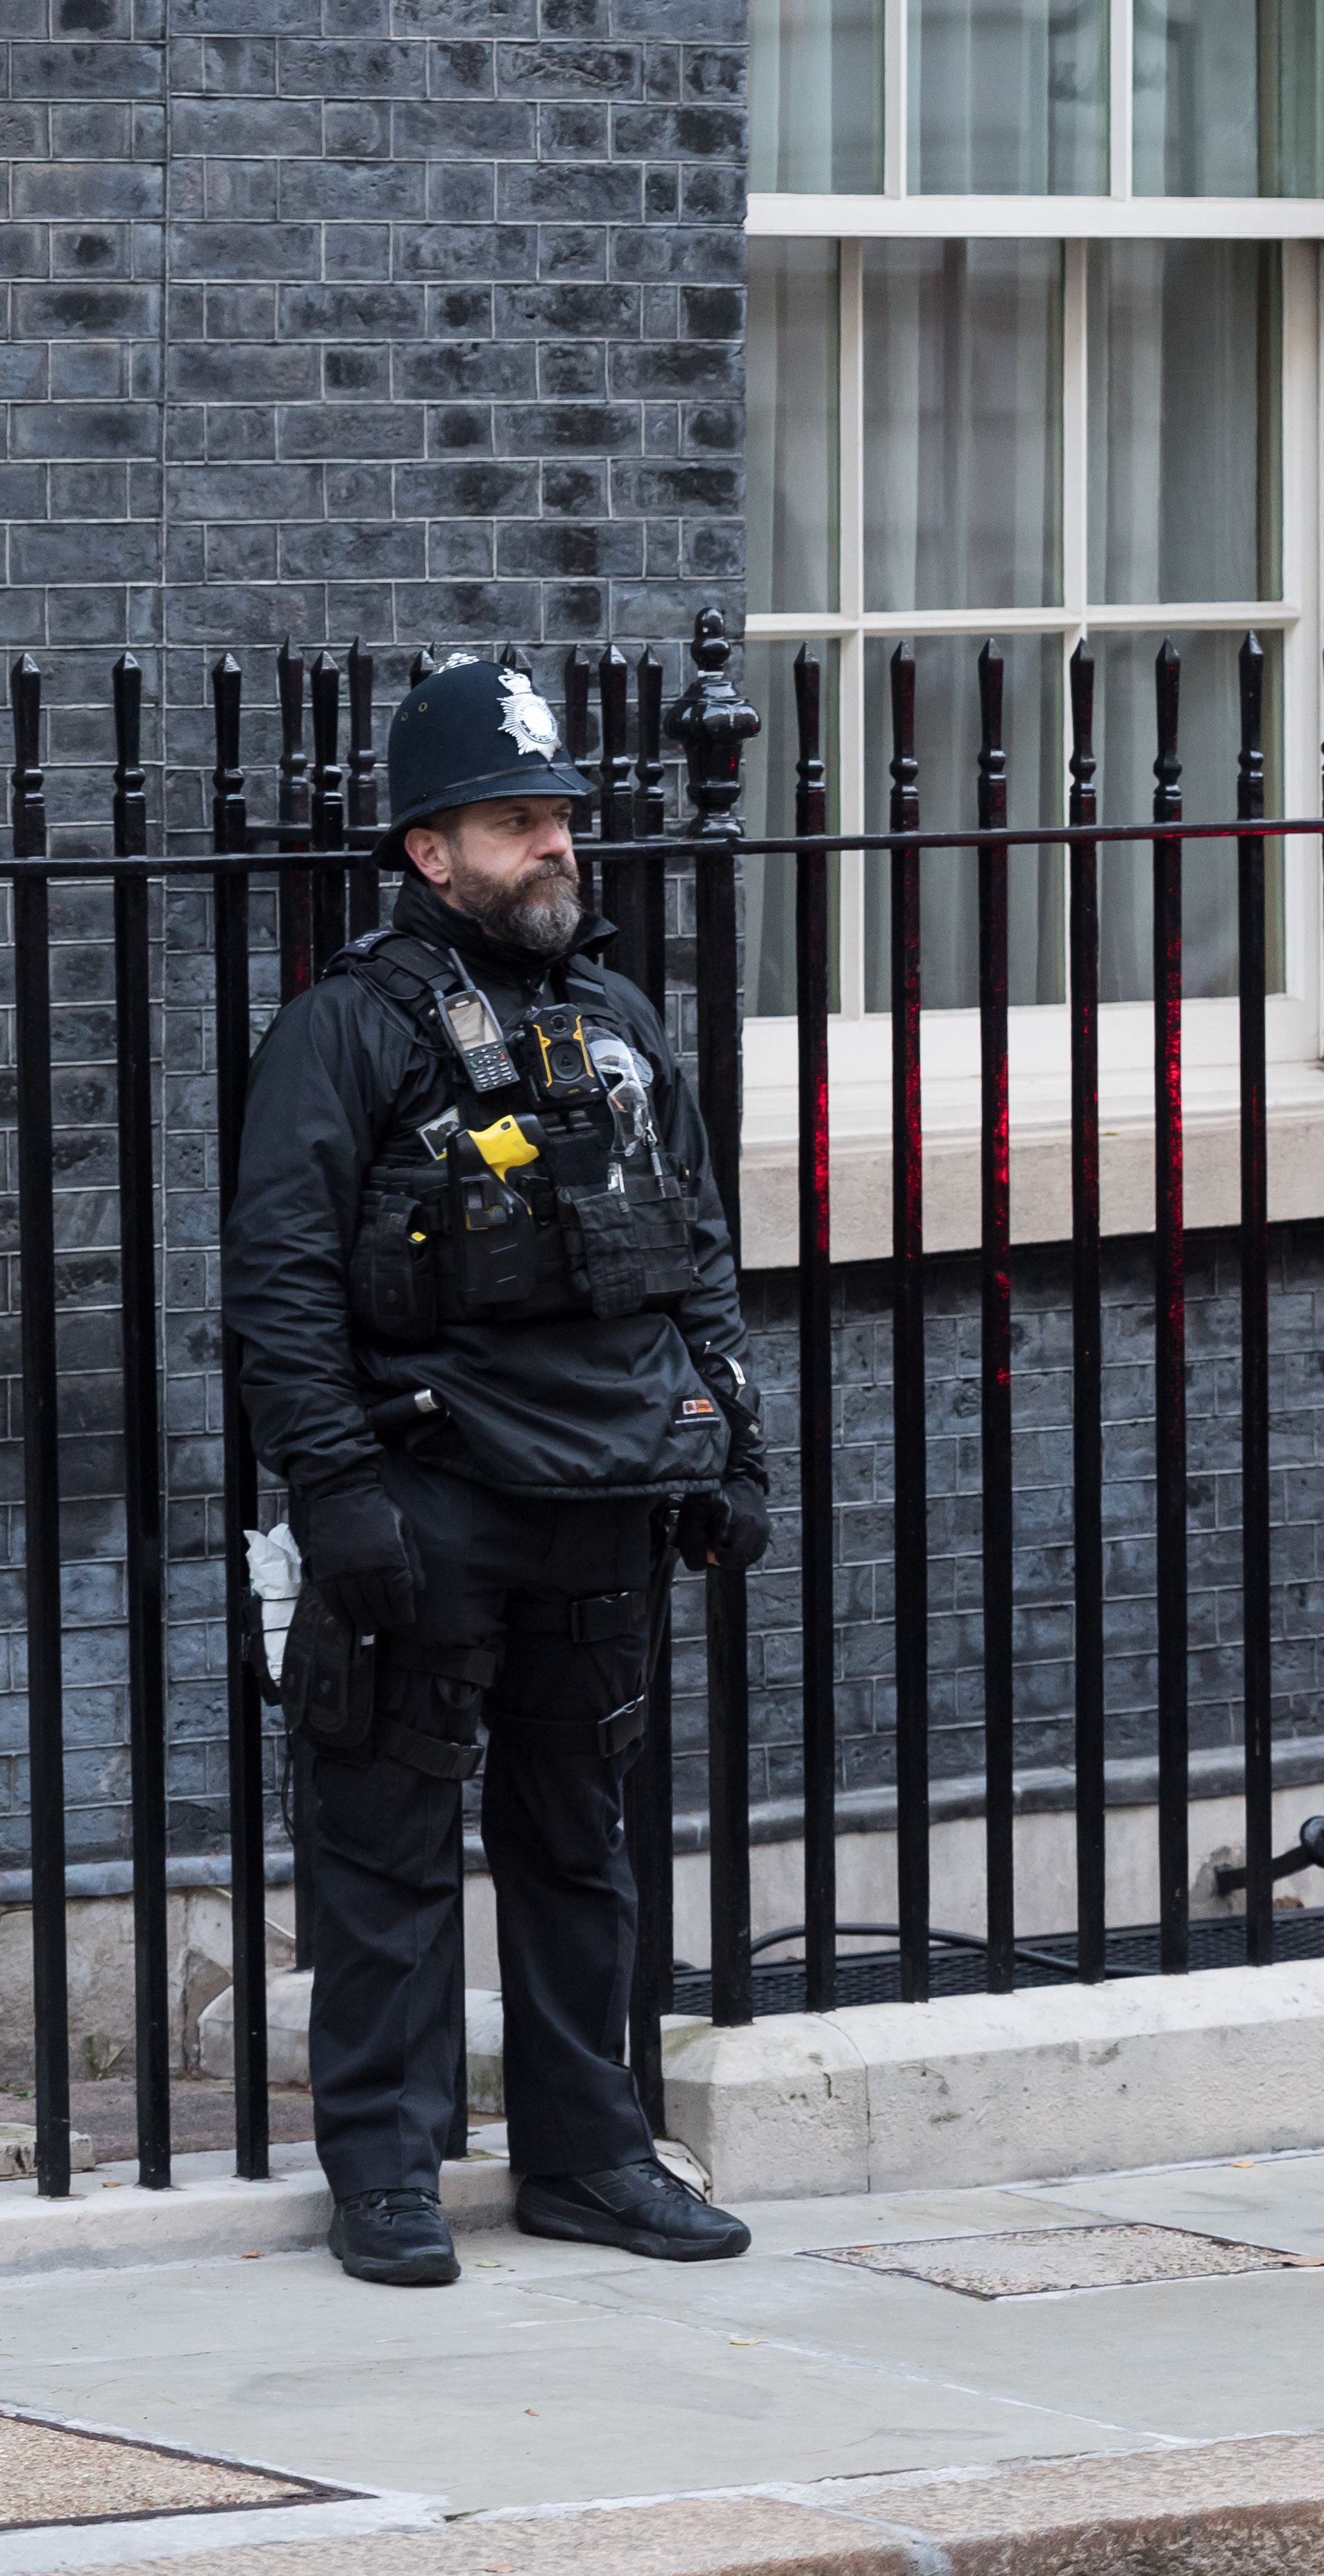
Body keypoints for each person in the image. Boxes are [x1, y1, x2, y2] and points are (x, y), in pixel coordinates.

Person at [225, 656, 769, 2288]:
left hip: (604, 1497)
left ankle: (591, 2155)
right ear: (429, 850)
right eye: (516, 820)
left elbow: (697, 1248)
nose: (555, 845)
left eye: (561, 818)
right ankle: (387, 2172)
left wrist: (730, 1440)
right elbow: (280, 1281)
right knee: (387, 1846)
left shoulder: (619, 1021)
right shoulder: (346, 1030)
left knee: (580, 1843)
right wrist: (335, 1488)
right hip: (432, 1490)